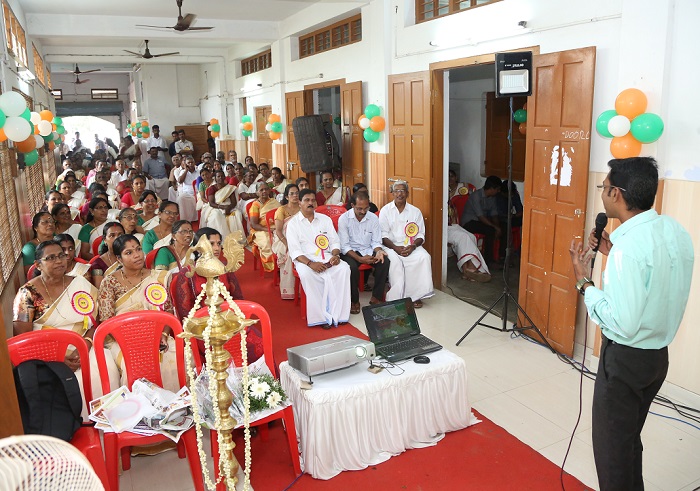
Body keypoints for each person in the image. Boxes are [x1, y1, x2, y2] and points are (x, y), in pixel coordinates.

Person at [569, 157, 693, 491]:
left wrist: (583, 282)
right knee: (628, 440)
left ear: (617, 194)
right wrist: (613, 252)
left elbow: (622, 322)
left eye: (604, 187)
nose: (603, 193)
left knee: (613, 453)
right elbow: (656, 280)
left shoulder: (629, 249)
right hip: (656, 359)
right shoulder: (674, 231)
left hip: (625, 362)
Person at [13, 240, 120, 414]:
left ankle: (104, 422)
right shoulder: (27, 294)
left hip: (83, 345)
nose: (58, 261)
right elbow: (22, 338)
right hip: (46, 352)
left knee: (105, 368)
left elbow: (97, 320)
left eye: (61, 255)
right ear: (38, 265)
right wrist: (58, 356)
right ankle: (76, 425)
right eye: (51, 258)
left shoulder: (80, 284)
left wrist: (86, 344)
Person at [97, 234, 179, 393]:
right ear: (119, 259)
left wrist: (163, 334)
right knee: (134, 365)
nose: (137, 255)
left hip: (157, 335)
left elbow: (168, 311)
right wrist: (133, 341)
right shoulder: (109, 282)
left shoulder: (157, 277)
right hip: (122, 339)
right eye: (129, 252)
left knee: (174, 357)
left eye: (138, 249)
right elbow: (107, 321)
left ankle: (174, 404)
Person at [286, 189, 351, 328]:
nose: (310, 203)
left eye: (313, 200)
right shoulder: (293, 224)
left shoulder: (325, 220)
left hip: (327, 257)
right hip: (305, 260)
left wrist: (336, 255)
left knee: (344, 268)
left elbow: (335, 242)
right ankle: (321, 317)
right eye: (306, 200)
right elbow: (295, 251)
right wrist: (311, 264)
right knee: (307, 274)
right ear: (299, 202)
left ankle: (339, 314)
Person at [379, 181, 434, 308]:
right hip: (390, 246)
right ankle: (398, 297)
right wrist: (395, 248)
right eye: (397, 191)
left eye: (402, 191)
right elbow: (383, 235)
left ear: (407, 193)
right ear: (392, 193)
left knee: (424, 257)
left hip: (411, 245)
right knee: (396, 263)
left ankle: (417, 295)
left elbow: (421, 235)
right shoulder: (385, 211)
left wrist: (413, 246)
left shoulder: (415, 211)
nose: (400, 194)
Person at [338, 190, 390, 314]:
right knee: (351, 268)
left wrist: (378, 251)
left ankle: (376, 297)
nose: (363, 212)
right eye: (359, 209)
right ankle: (354, 301)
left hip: (368, 249)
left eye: (366, 208)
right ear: (352, 205)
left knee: (384, 262)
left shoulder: (373, 218)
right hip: (351, 252)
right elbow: (344, 246)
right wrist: (360, 259)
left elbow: (376, 242)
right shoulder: (344, 219)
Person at [447, 193, 490, 282]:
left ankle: (467, 269)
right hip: (440, 228)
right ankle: (469, 269)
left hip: (451, 226)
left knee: (471, 236)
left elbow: (453, 220)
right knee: (463, 237)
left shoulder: (448, 204)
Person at [461, 175, 502, 267]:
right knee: (490, 230)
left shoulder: (492, 198)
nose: (498, 191)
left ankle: (499, 256)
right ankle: (489, 260)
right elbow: (481, 216)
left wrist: (498, 227)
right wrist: (495, 227)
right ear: (492, 188)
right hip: (469, 222)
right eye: (497, 189)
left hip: (481, 222)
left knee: (500, 227)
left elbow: (494, 214)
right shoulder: (476, 196)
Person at [271, 184, 301, 300]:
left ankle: (304, 287)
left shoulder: (303, 208)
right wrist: (287, 243)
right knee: (291, 254)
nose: (295, 195)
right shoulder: (281, 210)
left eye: (297, 193)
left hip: (300, 238)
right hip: (282, 239)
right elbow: (279, 231)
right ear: (287, 197)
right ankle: (290, 289)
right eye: (292, 194)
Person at [201, 169, 244, 240]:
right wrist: (222, 207)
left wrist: (228, 208)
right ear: (215, 178)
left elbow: (234, 202)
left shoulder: (229, 188)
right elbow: (211, 203)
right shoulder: (212, 188)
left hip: (229, 206)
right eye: (218, 176)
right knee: (216, 215)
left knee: (237, 213)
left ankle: (236, 239)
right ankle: (221, 239)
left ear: (225, 177)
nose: (220, 178)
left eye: (222, 176)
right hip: (216, 207)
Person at [247, 184, 280, 272]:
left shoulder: (274, 202)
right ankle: (273, 266)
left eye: (266, 189)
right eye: (261, 190)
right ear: (257, 193)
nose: (264, 191)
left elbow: (281, 215)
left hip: (275, 227)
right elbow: (254, 225)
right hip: (260, 229)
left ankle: (282, 262)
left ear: (269, 191)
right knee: (268, 241)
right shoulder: (255, 205)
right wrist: (269, 230)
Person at [90, 222, 125, 288]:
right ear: (105, 240)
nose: (117, 238)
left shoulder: (132, 256)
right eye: (112, 235)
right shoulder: (97, 264)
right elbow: (100, 289)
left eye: (120, 235)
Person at [173, 155, 198, 222]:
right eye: (188, 163)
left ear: (194, 163)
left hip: (198, 192)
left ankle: (195, 218)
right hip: (187, 193)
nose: (190, 164)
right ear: (186, 164)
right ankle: (184, 220)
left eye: (192, 162)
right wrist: (186, 170)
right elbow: (180, 181)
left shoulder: (199, 171)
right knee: (180, 198)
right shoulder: (183, 172)